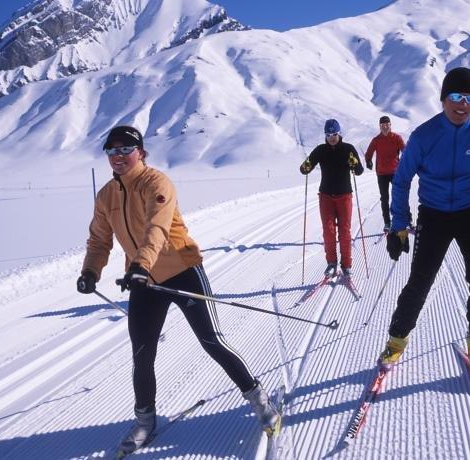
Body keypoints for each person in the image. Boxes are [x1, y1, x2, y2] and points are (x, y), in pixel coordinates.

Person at [76, 126, 279, 453]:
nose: (117, 156)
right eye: (111, 151)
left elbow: (155, 229)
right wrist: (90, 271)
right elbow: (100, 240)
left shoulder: (157, 184)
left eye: (125, 149)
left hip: (183, 271)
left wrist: (140, 264)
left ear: (140, 152)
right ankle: (144, 422)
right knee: (142, 355)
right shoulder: (106, 196)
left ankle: (259, 399)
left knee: (212, 341)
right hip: (145, 281)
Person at [378, 67, 470, 377]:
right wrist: (399, 225)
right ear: (443, 99)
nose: (462, 104)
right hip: (434, 213)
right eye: (455, 96)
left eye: (469, 98)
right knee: (420, 281)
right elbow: (401, 180)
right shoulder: (424, 135)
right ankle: (395, 343)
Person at [300, 119, 364, 277]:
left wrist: (354, 163)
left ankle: (346, 265)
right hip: (326, 196)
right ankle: (331, 263)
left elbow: (360, 171)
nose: (332, 138)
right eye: (328, 135)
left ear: (339, 133)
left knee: (344, 231)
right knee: (328, 231)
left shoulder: (348, 149)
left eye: (334, 134)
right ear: (325, 135)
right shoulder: (320, 150)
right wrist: (306, 166)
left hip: (344, 196)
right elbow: (304, 168)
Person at [364, 115, 410, 232]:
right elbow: (368, 153)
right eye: (382, 125)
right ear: (380, 126)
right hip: (381, 174)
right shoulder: (376, 140)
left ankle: (407, 219)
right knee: (384, 198)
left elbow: (405, 151)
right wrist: (368, 161)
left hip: (395, 172)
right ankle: (387, 222)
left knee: (399, 196)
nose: (385, 127)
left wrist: (408, 161)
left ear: (390, 125)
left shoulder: (396, 138)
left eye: (387, 125)